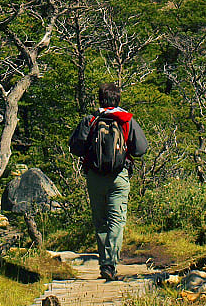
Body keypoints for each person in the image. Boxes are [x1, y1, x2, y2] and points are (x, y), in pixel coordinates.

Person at [68, 82, 148, 281]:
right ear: (118, 99)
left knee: (100, 221)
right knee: (116, 221)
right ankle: (111, 264)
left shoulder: (91, 120)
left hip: (95, 177)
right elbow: (140, 149)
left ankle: (105, 262)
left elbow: (76, 148)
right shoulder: (127, 120)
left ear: (100, 98)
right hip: (119, 177)